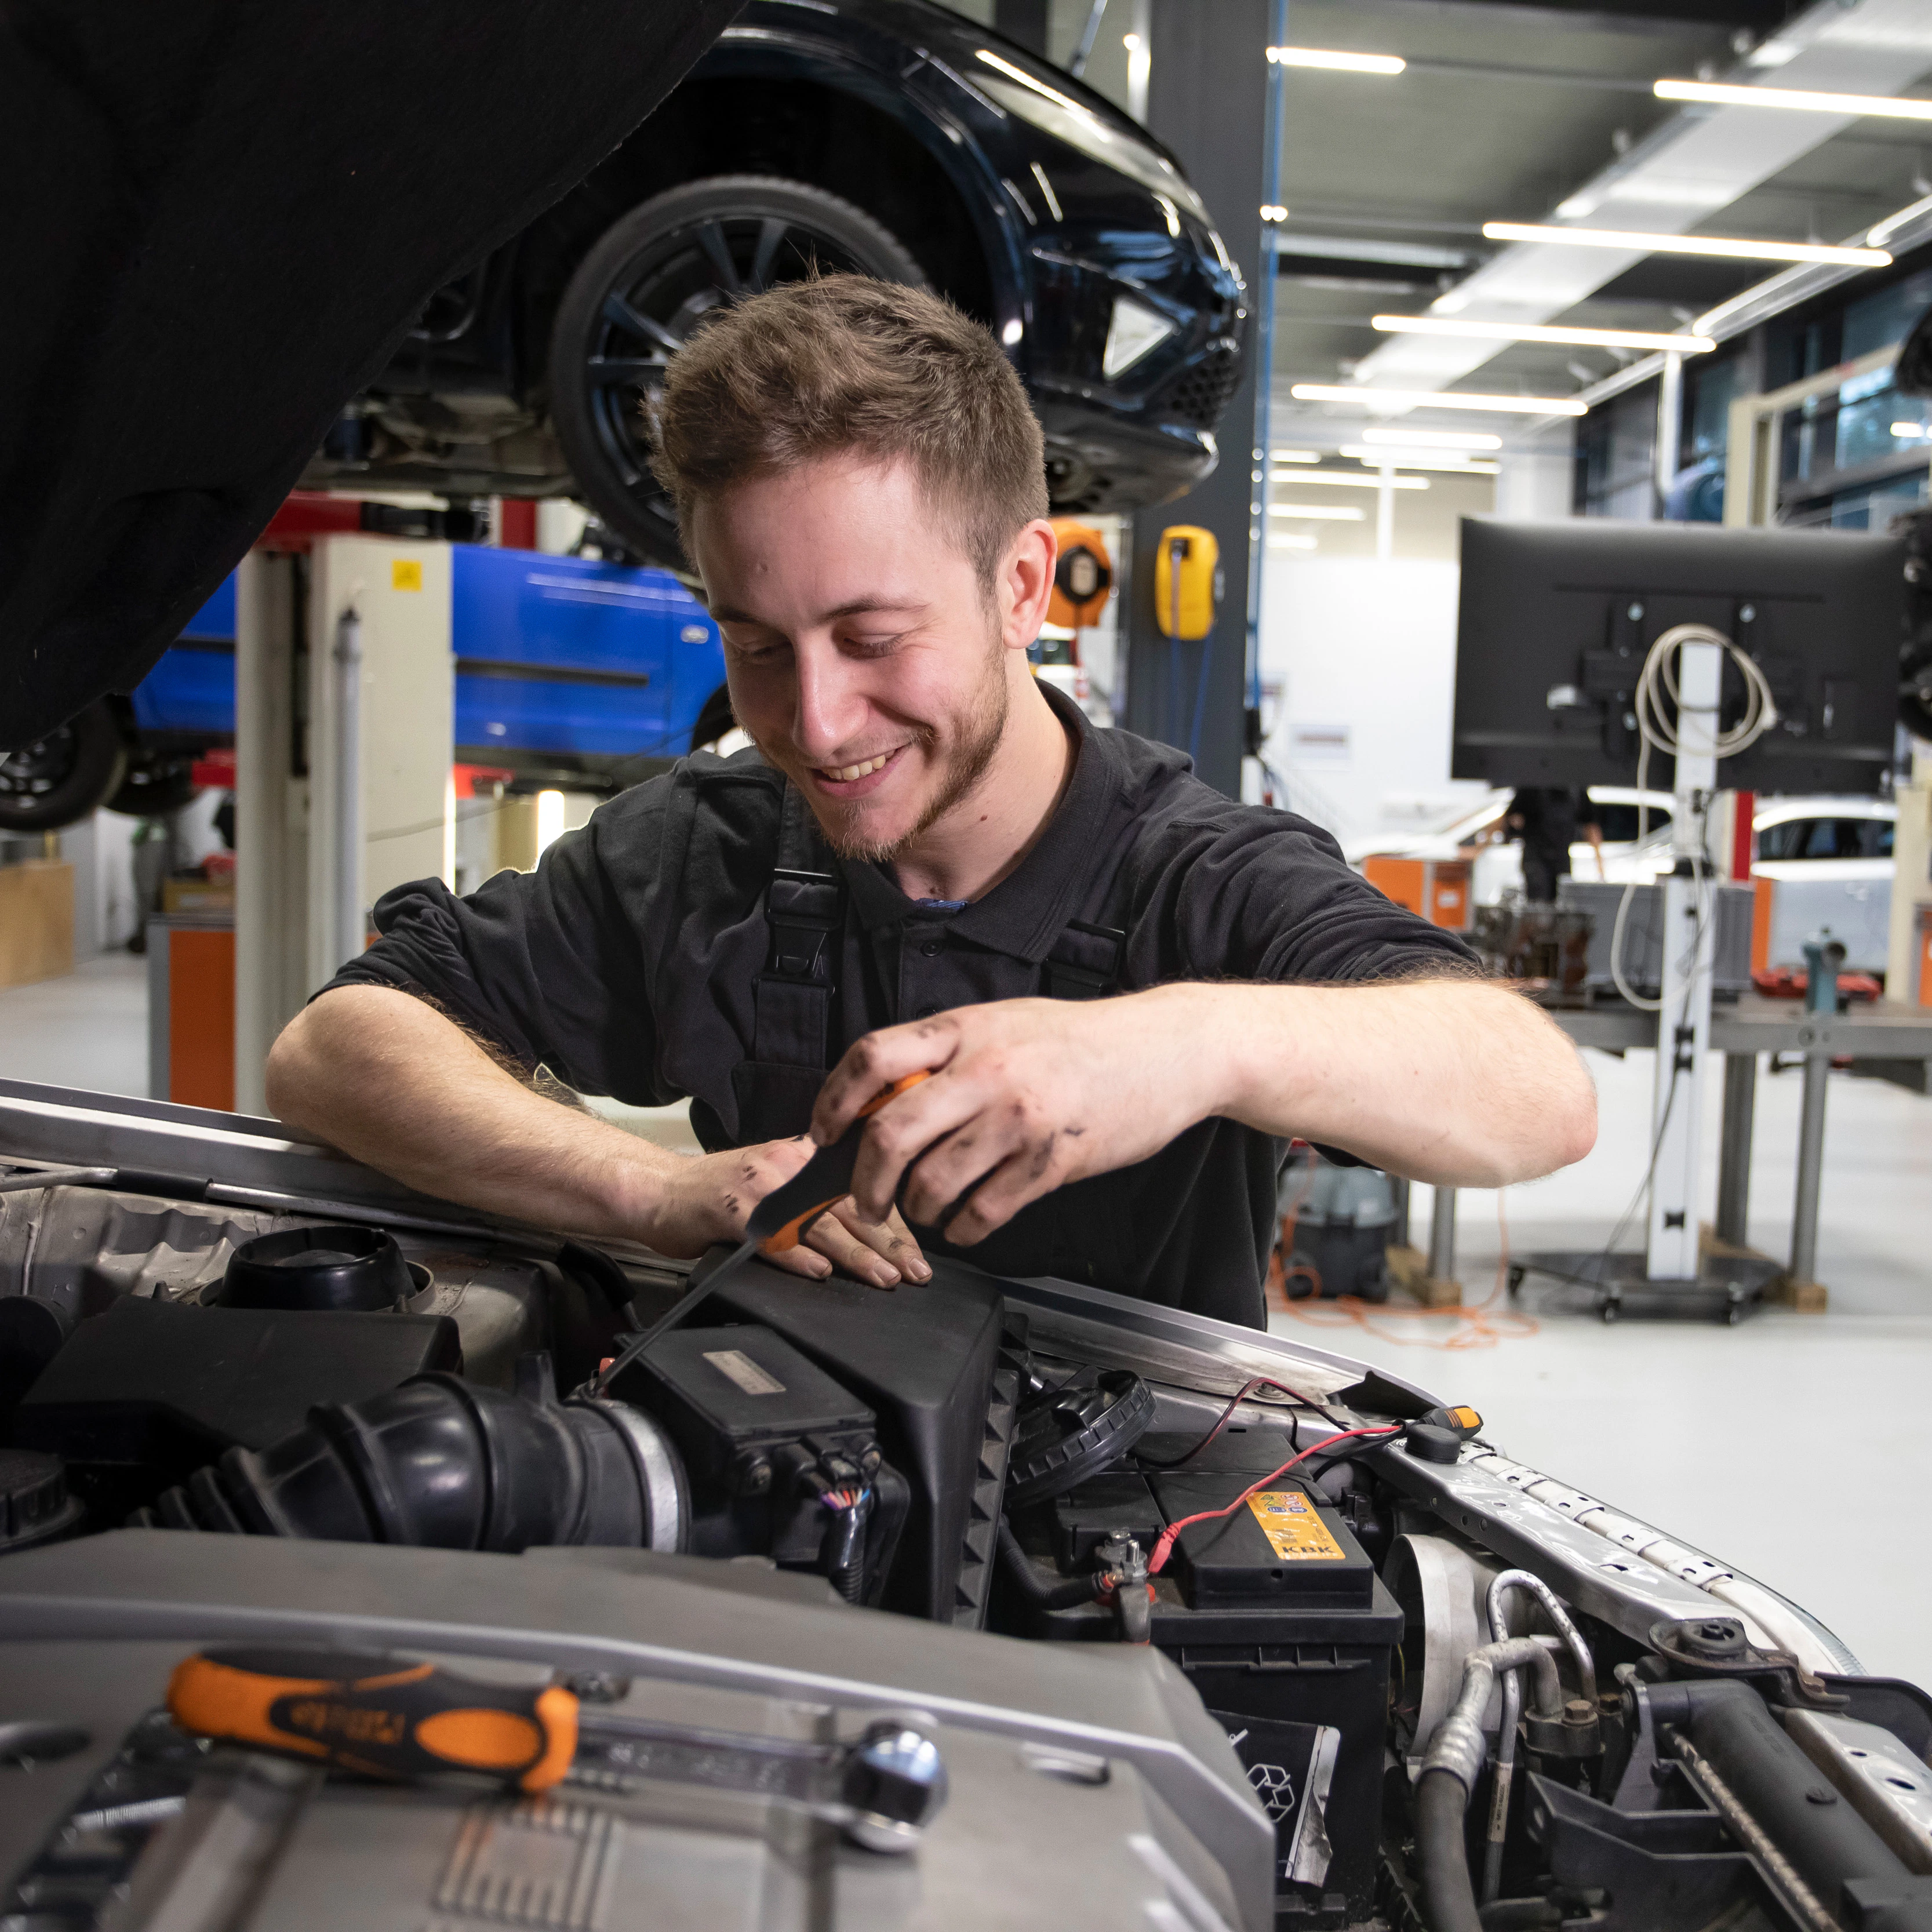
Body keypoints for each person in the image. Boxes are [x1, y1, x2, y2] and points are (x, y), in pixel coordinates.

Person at [265, 276, 1596, 1330]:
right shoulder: (696, 855)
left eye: (872, 636)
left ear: (1023, 588)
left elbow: (1537, 1094)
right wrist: (653, 1188)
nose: (815, 723)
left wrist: (1181, 1045)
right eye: (760, 644)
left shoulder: (1194, 874)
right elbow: (335, 1047)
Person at [1502, 787, 1603, 904]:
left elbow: (1591, 826)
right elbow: (1508, 816)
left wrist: (1600, 863)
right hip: (1536, 859)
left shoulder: (1576, 789)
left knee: (1564, 903)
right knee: (1539, 906)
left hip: (1562, 858)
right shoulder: (1533, 787)